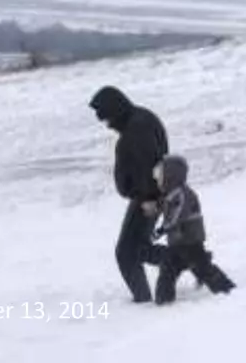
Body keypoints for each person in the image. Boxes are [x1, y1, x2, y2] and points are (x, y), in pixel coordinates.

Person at [89, 85, 168, 302]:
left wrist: (150, 199)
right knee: (137, 249)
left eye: (107, 119)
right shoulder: (139, 120)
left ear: (116, 109)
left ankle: (143, 299)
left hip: (148, 197)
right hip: (149, 195)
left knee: (127, 253)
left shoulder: (137, 129)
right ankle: (183, 260)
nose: (108, 126)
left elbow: (149, 165)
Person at [150, 154, 236, 303]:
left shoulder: (183, 193)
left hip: (190, 241)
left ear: (171, 175)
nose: (158, 179)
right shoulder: (172, 194)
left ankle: (227, 289)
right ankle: (163, 301)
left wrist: (161, 229)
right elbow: (166, 206)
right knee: (168, 269)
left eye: (161, 174)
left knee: (202, 268)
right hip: (178, 243)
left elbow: (177, 216)